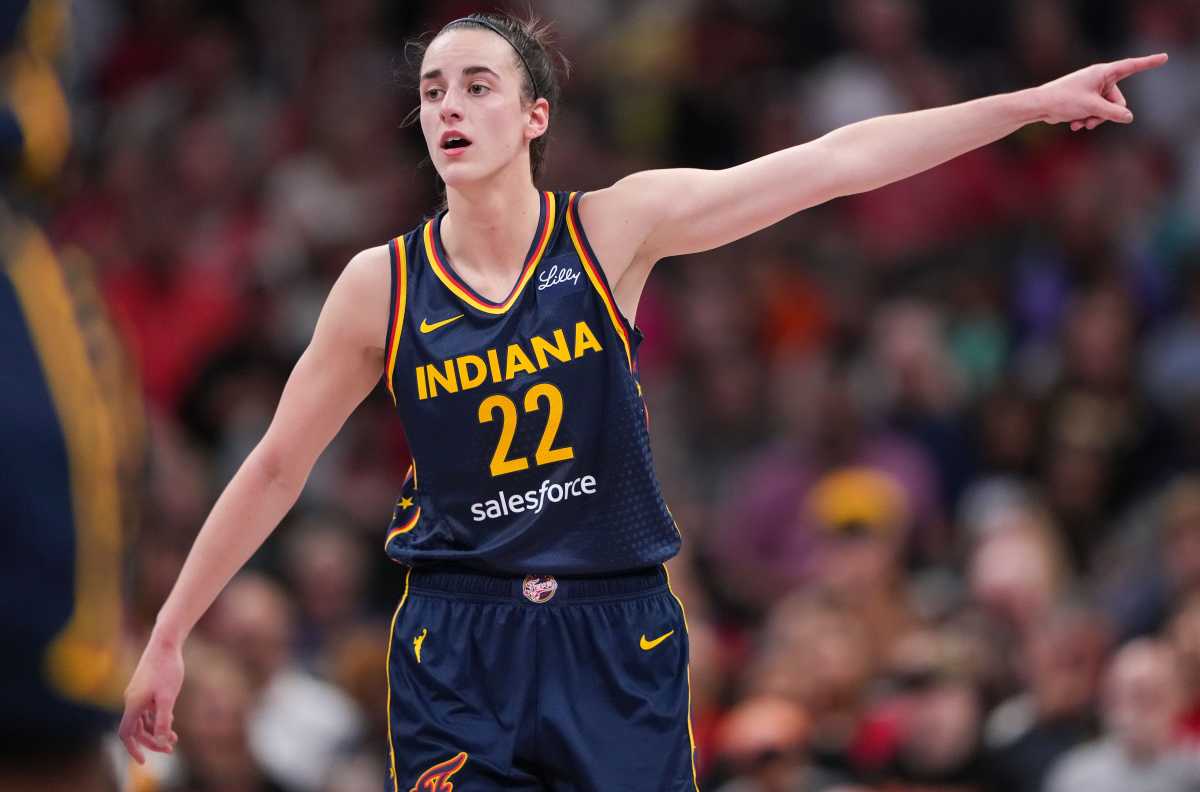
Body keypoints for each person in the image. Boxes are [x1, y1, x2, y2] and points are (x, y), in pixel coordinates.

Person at [119, 10, 1168, 790]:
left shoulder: (614, 228)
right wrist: (170, 633)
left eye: (478, 85)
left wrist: (1027, 103)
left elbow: (836, 162)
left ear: (535, 115)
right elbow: (273, 466)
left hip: (614, 631)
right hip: (459, 637)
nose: (449, 105)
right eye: (434, 89)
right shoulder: (379, 285)